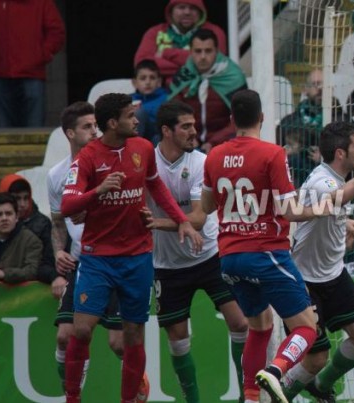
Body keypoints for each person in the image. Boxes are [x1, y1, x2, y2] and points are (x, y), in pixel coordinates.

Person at [60, 93, 202, 403]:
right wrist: (98, 190)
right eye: (130, 116)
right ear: (113, 123)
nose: (137, 121)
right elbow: (68, 206)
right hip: (98, 258)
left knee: (134, 336)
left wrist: (183, 221)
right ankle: (72, 398)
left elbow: (156, 186)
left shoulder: (142, 149)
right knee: (81, 330)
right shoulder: (88, 157)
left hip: (138, 258)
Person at [201, 89, 331, 403]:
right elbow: (289, 211)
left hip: (229, 258)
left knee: (260, 327)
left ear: (232, 120)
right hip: (266, 254)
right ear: (262, 118)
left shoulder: (214, 155)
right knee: (307, 328)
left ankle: (250, 397)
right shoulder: (272, 154)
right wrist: (321, 208)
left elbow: (205, 206)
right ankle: (275, 371)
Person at [282, 120, 354, 402]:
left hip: (333, 274)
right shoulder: (323, 181)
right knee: (315, 358)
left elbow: (328, 207)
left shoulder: (332, 178)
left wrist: (343, 222)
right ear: (340, 153)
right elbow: (335, 197)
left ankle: (321, 386)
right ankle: (275, 396)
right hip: (304, 281)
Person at [145, 100, 249, 403]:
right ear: (167, 131)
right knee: (178, 339)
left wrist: (157, 222)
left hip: (210, 256)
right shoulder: (148, 165)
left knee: (241, 323)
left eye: (194, 124)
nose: (194, 131)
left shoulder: (202, 161)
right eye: (186, 126)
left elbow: (199, 217)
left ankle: (248, 396)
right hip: (167, 265)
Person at [47, 101, 127, 394]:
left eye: (96, 125)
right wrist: (58, 251)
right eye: (87, 126)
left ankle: (135, 386)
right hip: (82, 263)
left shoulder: (113, 164)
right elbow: (57, 222)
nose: (95, 131)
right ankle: (72, 393)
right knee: (65, 337)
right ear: (70, 133)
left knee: (119, 343)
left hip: (116, 260)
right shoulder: (57, 175)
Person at [0, 0, 65, 127]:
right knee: (4, 130)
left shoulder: (42, 2)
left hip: (32, 74)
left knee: (34, 128)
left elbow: (56, 32)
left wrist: (41, 55)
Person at [169, 28, 247, 153]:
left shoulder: (233, 76)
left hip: (224, 140)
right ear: (191, 52)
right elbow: (173, 114)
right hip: (190, 139)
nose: (203, 56)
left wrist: (214, 142)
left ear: (217, 51)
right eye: (198, 51)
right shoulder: (184, 75)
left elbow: (241, 119)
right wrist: (188, 136)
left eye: (208, 51)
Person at [134, 0, 227, 82]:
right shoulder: (154, 32)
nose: (187, 12)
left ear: (200, 11)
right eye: (181, 7)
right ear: (171, 11)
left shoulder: (214, 32)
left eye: (193, 8)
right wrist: (193, 65)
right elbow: (141, 65)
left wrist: (166, 53)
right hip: (161, 96)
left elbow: (216, 65)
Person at [0, 174, 59, 297]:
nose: (22, 204)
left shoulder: (42, 224)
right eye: (17, 199)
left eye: (26, 198)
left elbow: (46, 262)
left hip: (31, 292)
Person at [132, 59, 169, 145]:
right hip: (132, 135)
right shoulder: (129, 99)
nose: (148, 82)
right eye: (143, 78)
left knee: (138, 113)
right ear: (135, 83)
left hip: (156, 136)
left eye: (152, 78)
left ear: (159, 82)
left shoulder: (166, 98)